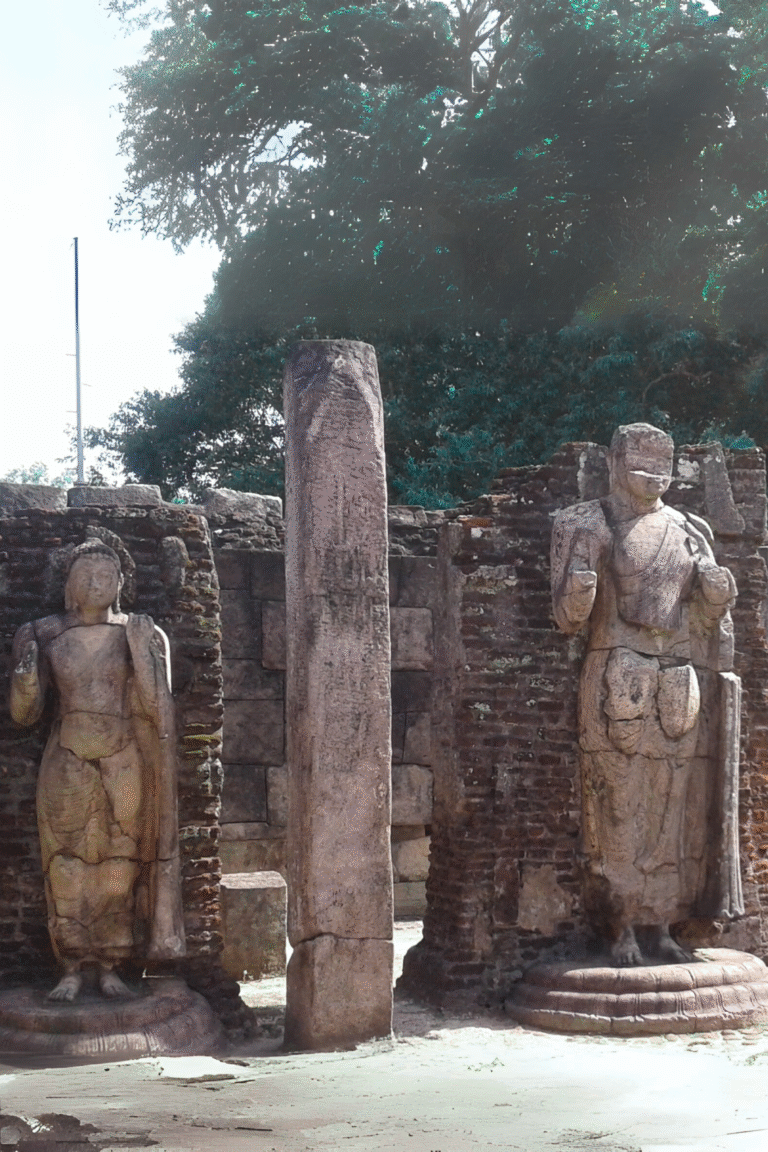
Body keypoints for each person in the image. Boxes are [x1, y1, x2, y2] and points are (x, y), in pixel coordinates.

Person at [551, 423, 742, 965]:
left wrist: (715, 596)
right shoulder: (587, 522)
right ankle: (619, 924)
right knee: (616, 802)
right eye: (641, 465)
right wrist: (581, 582)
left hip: (677, 671)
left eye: (663, 467)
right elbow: (569, 619)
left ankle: (660, 922)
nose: (654, 477)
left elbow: (707, 623)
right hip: (618, 665)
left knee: (673, 803)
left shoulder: (689, 529)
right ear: (615, 463)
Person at [10, 539, 185, 1001]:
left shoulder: (139, 632)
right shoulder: (43, 633)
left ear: (121, 584)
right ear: (67, 584)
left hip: (123, 758)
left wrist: (146, 655)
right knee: (65, 864)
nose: (94, 583)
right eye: (84, 574)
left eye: (105, 575)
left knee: (120, 863)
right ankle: (70, 965)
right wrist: (25, 677)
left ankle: (111, 963)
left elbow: (159, 708)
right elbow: (25, 714)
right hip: (67, 758)